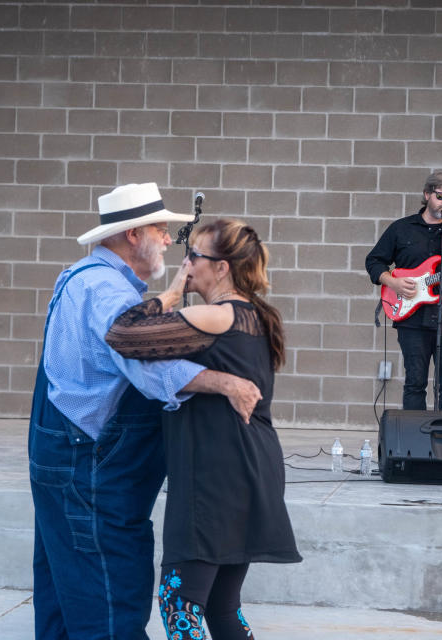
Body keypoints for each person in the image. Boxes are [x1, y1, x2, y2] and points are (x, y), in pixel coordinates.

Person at [29, 183, 263, 640]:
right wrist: (226, 382)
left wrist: (171, 299)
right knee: (108, 600)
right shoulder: (108, 292)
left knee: (63, 593)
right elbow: (146, 364)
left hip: (62, 458)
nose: (168, 240)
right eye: (161, 229)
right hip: (91, 469)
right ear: (133, 235)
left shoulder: (79, 275)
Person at [106, 219, 301, 640]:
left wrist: (172, 293)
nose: (186, 262)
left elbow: (122, 334)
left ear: (222, 268)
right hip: (249, 468)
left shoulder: (216, 315)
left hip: (214, 476)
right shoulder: (255, 315)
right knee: (221, 608)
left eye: (195, 256)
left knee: (179, 604)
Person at [365, 171, 442, 411]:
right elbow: (374, 262)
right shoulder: (401, 229)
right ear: (427, 195)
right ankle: (415, 443)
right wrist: (393, 282)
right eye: (441, 196)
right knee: (415, 383)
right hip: (412, 320)